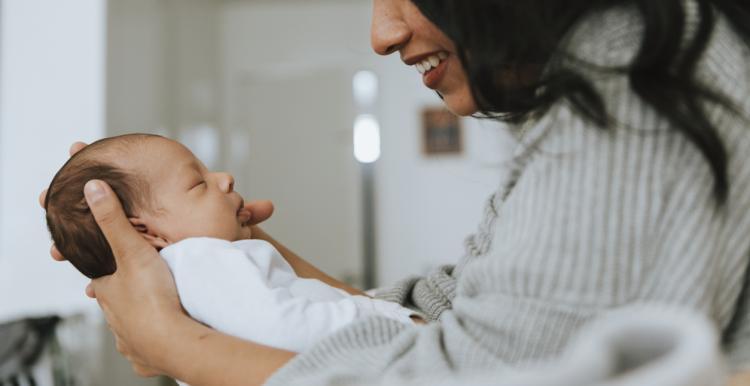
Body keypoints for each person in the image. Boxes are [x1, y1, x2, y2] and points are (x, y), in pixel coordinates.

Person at [40, 0, 750, 385]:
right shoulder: (591, 90)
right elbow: (440, 315)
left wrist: (176, 344)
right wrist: (230, 237)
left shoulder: (634, 79)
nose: (381, 32)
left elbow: (476, 369)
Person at [43, 134, 415, 364]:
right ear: (147, 232)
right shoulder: (197, 260)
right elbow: (283, 331)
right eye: (197, 183)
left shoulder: (192, 269)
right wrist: (387, 320)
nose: (224, 178)